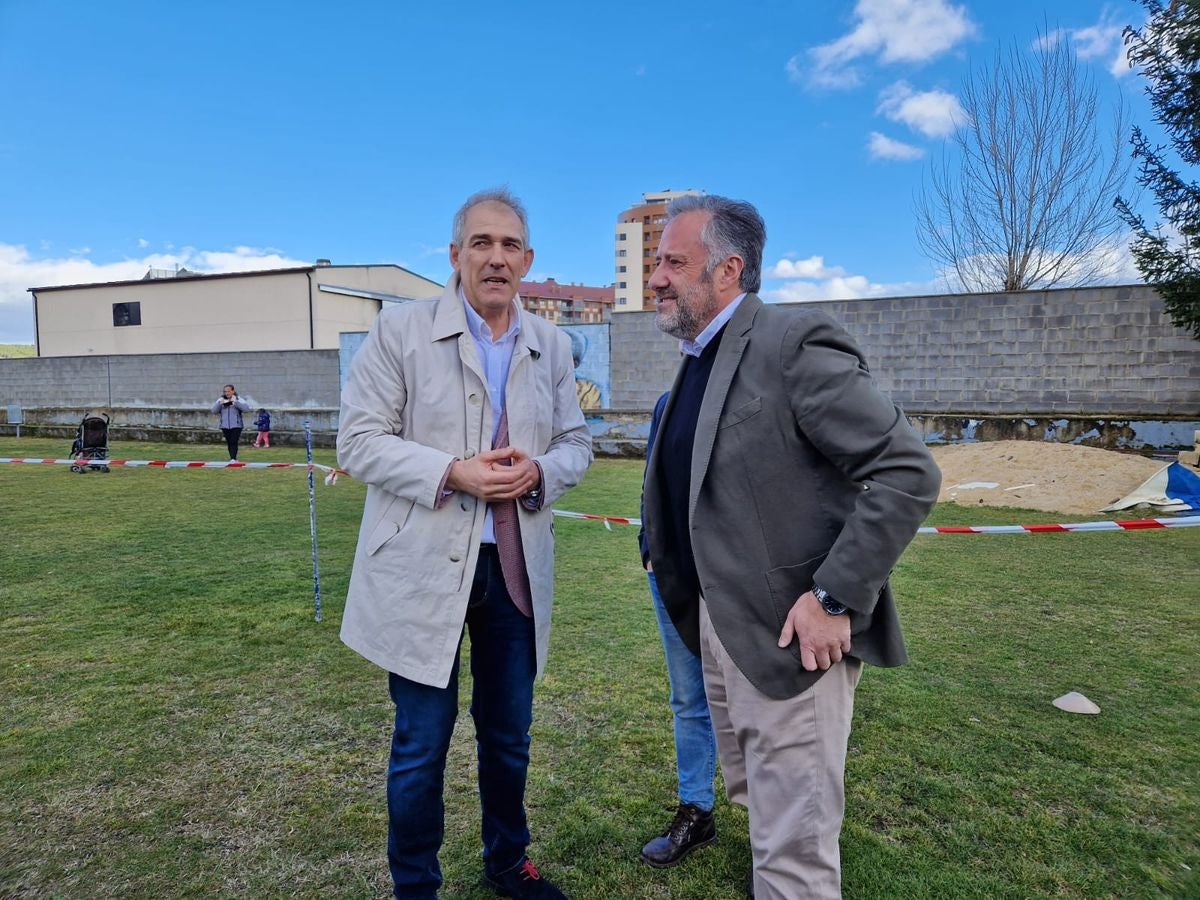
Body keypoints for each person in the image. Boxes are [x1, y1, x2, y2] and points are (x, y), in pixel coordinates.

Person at [641, 195, 941, 900]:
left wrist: (833, 596)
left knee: (795, 853)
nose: (656, 277)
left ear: (729, 270)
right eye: (656, 261)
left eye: (672, 262)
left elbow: (907, 471)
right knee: (770, 827)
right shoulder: (698, 361)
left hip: (793, 644)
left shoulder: (790, 343)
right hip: (724, 631)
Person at [337, 188, 593, 900]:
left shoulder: (552, 345)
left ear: (528, 260)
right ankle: (415, 885)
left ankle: (508, 862)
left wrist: (540, 470)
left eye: (510, 245)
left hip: (512, 573)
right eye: (481, 243)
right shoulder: (401, 332)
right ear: (455, 256)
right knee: (422, 744)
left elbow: (577, 445)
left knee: (508, 737)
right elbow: (357, 443)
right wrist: (453, 471)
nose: (496, 258)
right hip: (421, 572)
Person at [636, 390, 719, 868]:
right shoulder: (668, 402)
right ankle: (697, 812)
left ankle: (775, 840)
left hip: (738, 586)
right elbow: (652, 480)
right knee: (689, 701)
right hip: (671, 580)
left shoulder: (756, 389)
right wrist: (649, 548)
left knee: (757, 709)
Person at [210, 384, 250, 460]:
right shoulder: (220, 399)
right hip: (225, 426)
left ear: (233, 391)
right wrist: (219, 404)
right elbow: (214, 411)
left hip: (237, 425)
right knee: (229, 442)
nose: (227, 393)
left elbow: (247, 409)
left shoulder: (239, 399)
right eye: (225, 391)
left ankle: (233, 459)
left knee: (233, 441)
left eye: (228, 391)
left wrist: (236, 403)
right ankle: (232, 458)